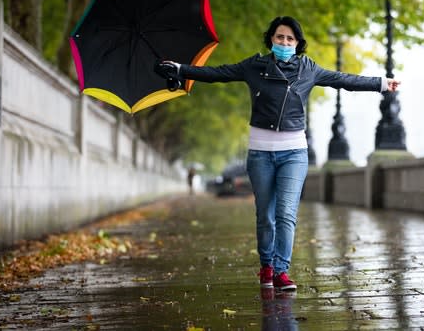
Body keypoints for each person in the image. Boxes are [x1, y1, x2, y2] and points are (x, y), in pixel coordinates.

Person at [156, 16, 400, 291]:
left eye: (290, 39)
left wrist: (380, 83)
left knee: (286, 214)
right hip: (260, 153)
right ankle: (266, 266)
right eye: (279, 37)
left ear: (298, 43)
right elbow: (217, 74)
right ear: (271, 39)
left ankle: (282, 271)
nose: (284, 42)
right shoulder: (254, 66)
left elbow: (342, 79)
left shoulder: (309, 69)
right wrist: (180, 69)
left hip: (294, 153)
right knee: (265, 216)